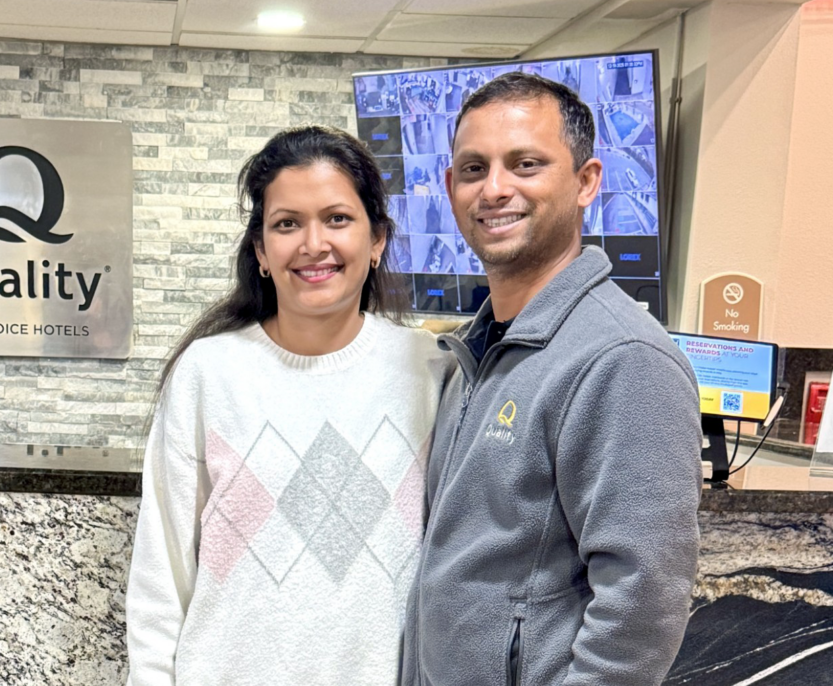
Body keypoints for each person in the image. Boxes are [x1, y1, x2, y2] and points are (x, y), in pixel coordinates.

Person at [401, 73, 702, 685]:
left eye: (526, 164)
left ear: (586, 181)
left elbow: (641, 606)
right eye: (474, 169)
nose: (495, 189)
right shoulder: (477, 350)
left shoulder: (623, 359)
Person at [126, 126, 451, 686]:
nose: (313, 244)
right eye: (287, 224)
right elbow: (161, 579)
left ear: (377, 240)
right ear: (260, 250)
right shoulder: (208, 373)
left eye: (337, 219)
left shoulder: (431, 371)